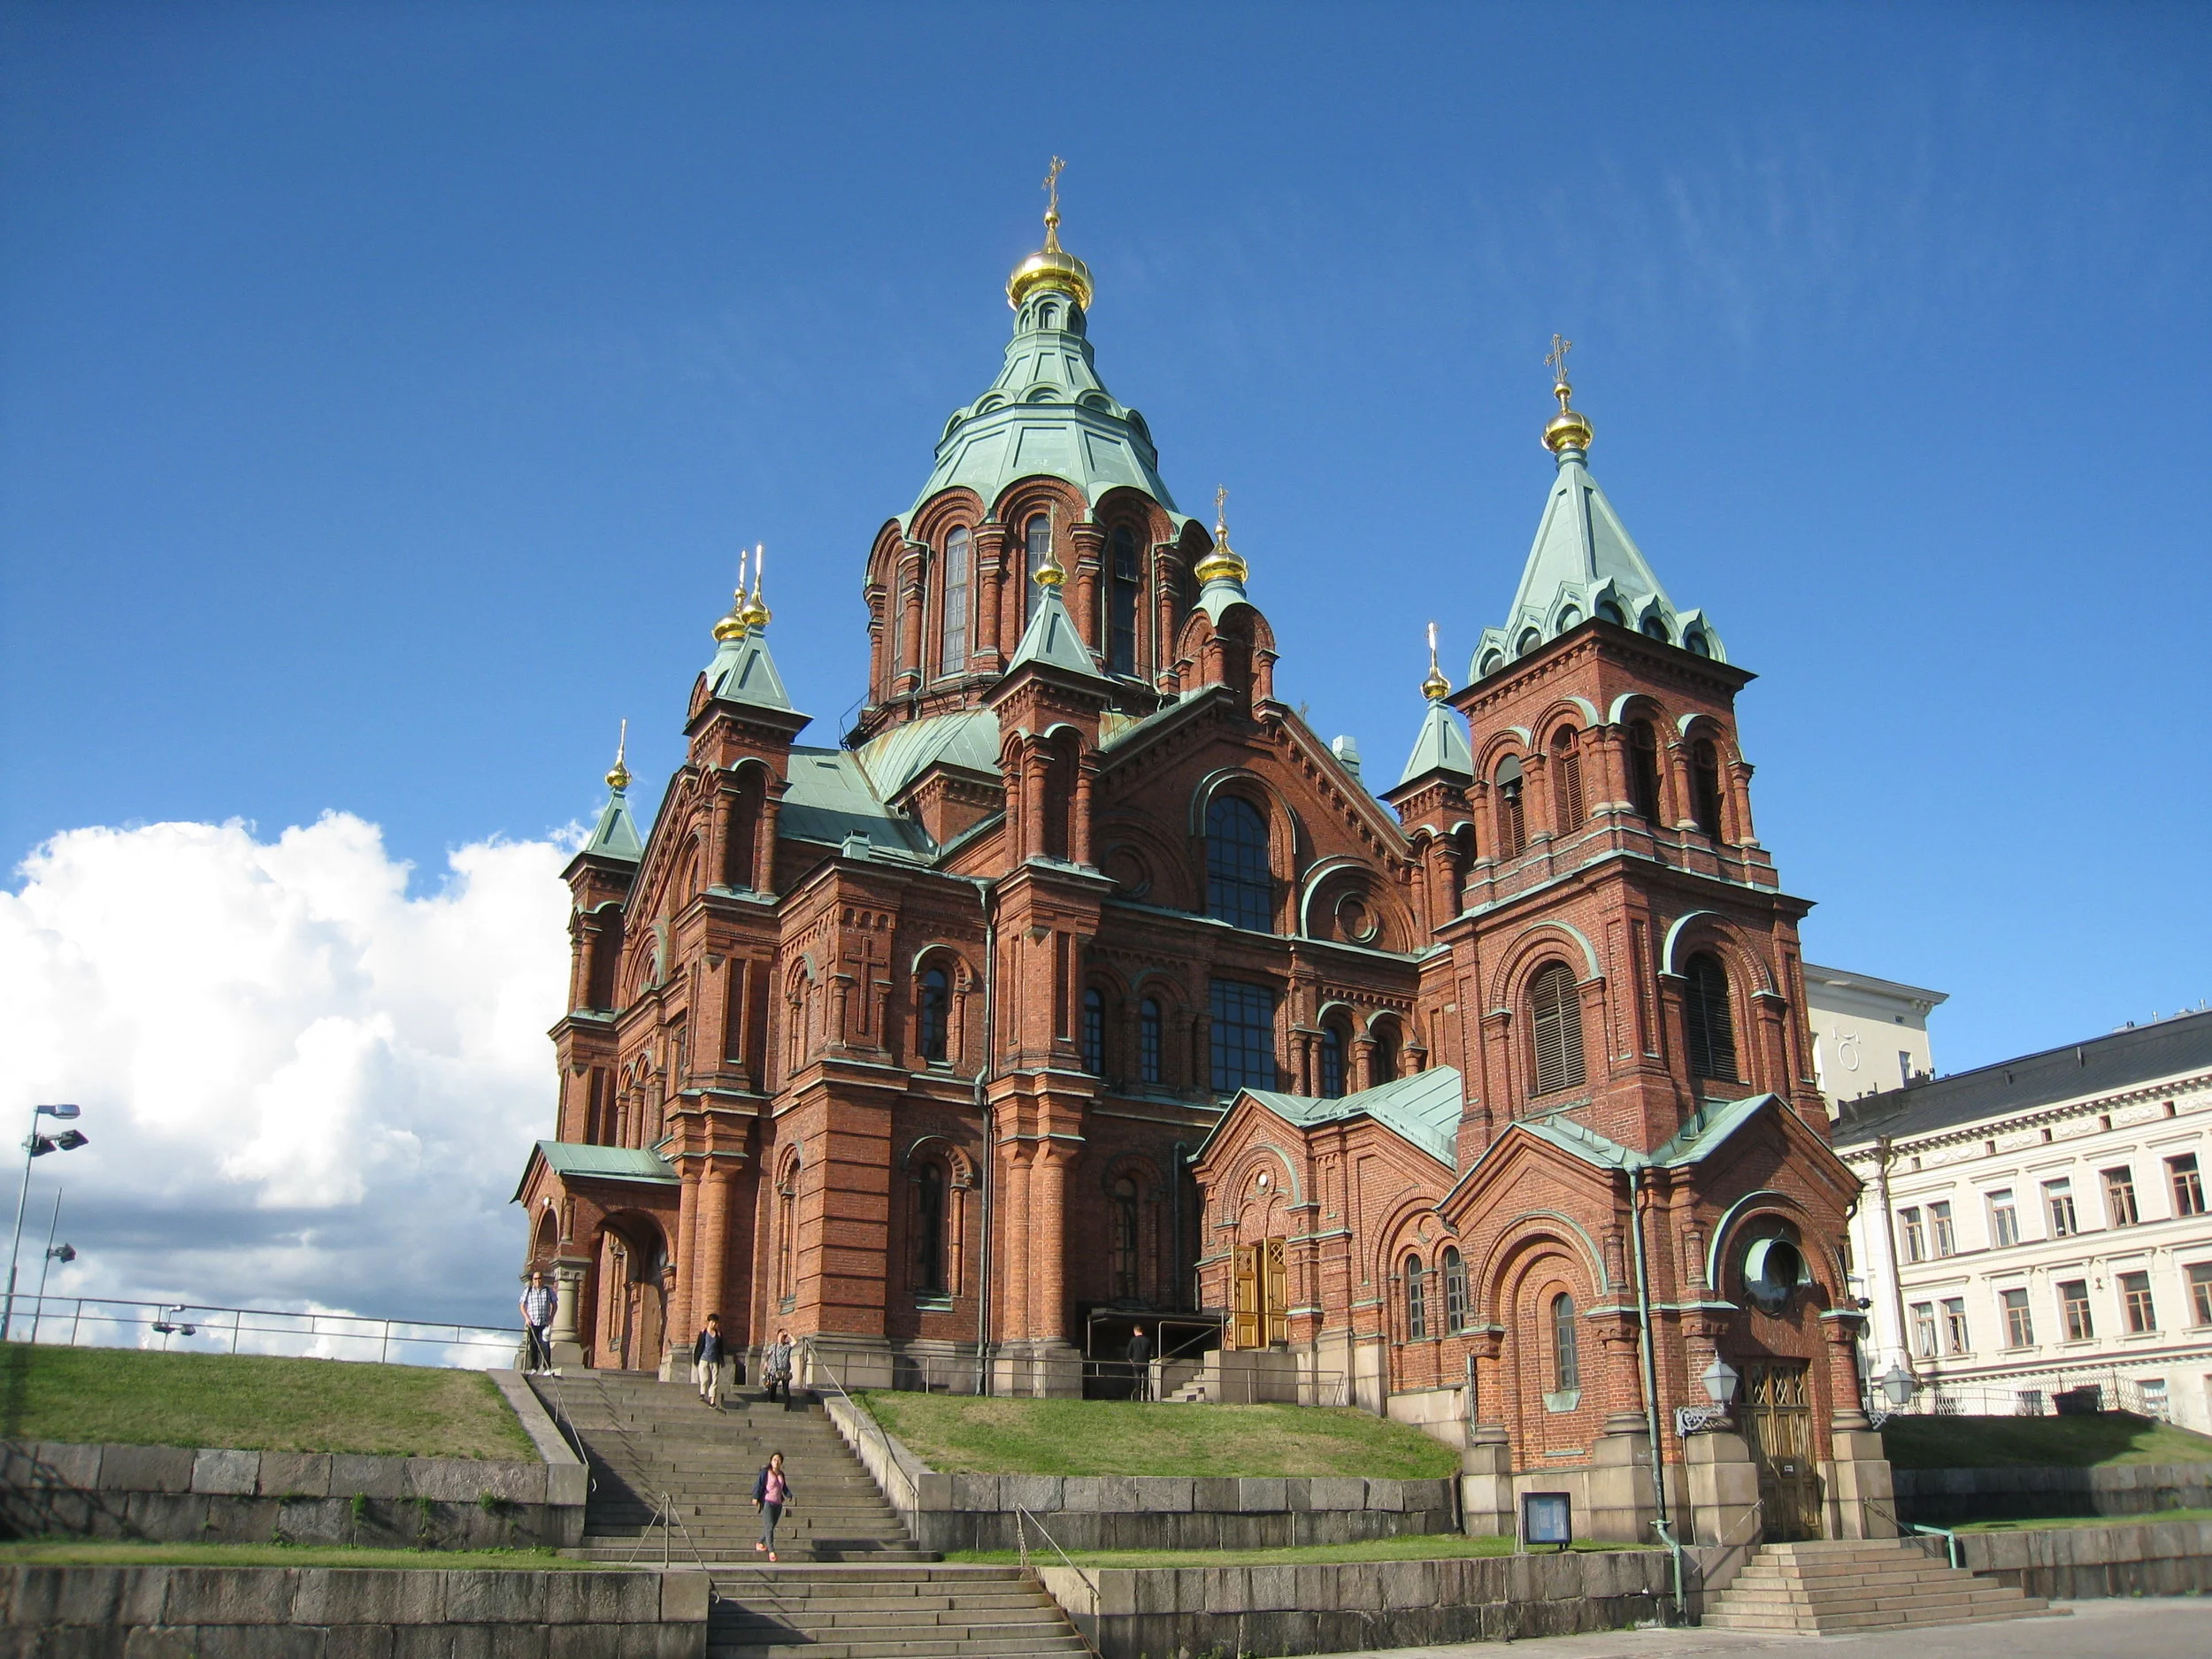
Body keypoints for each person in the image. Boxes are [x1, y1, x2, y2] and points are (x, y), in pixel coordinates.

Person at [752, 1450, 792, 1562]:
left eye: (779, 1460)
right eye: (774, 1459)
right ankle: (771, 1551)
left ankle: (760, 1542)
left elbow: (784, 1487)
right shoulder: (765, 1472)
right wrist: (755, 1497)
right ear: (771, 1461)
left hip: (778, 1503)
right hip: (767, 1502)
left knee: (771, 1526)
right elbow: (759, 1484)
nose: (776, 1462)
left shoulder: (781, 1474)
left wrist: (789, 1494)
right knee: (769, 1526)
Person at [519, 1271, 557, 1374]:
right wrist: (527, 1318)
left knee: (545, 1344)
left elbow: (554, 1305)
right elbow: (522, 1306)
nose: (537, 1281)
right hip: (533, 1322)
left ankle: (546, 1367)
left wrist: (551, 1318)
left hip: (544, 1322)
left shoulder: (548, 1291)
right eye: (535, 1279)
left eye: (539, 1278)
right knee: (533, 1344)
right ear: (533, 1280)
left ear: (542, 1279)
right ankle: (534, 1367)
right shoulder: (529, 1291)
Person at [693, 1312, 726, 1409]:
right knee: (705, 1378)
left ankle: (712, 1401)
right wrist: (696, 1359)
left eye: (716, 1323)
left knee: (714, 1381)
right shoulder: (703, 1333)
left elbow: (720, 1349)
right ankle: (702, 1393)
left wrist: (721, 1361)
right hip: (704, 1359)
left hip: (714, 1360)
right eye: (712, 1322)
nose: (714, 1325)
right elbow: (699, 1346)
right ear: (708, 1322)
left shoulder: (718, 1335)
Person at [762, 1328, 795, 1407]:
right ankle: (772, 1401)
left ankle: (787, 1405)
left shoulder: (787, 1346)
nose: (780, 1338)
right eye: (779, 1336)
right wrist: (766, 1363)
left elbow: (795, 1342)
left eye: (782, 1336)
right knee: (773, 1386)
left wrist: (788, 1335)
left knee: (785, 1388)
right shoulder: (774, 1346)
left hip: (785, 1371)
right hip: (775, 1370)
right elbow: (768, 1354)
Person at [1125, 1326, 1153, 1402]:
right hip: (1145, 1364)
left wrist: (1132, 1363)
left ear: (1135, 1331)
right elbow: (1152, 1354)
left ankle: (1137, 1399)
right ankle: (1148, 1398)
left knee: (1138, 1383)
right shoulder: (1147, 1340)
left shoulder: (1133, 1340)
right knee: (1147, 1382)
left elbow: (1128, 1354)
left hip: (1136, 1364)